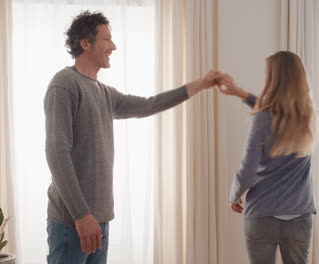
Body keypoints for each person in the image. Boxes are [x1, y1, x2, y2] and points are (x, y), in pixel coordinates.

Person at [44, 10, 222, 264]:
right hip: (73, 220)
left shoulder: (104, 92)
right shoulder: (64, 84)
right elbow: (56, 153)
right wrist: (82, 215)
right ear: (85, 43)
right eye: (106, 39)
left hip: (100, 218)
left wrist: (200, 84)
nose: (113, 46)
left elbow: (150, 105)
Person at [219, 51, 318, 264]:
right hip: (299, 216)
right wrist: (242, 94)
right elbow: (277, 114)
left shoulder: (263, 119)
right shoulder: (309, 116)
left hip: (262, 215)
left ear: (274, 80)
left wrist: (234, 195)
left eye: (267, 75)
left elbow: (248, 167)